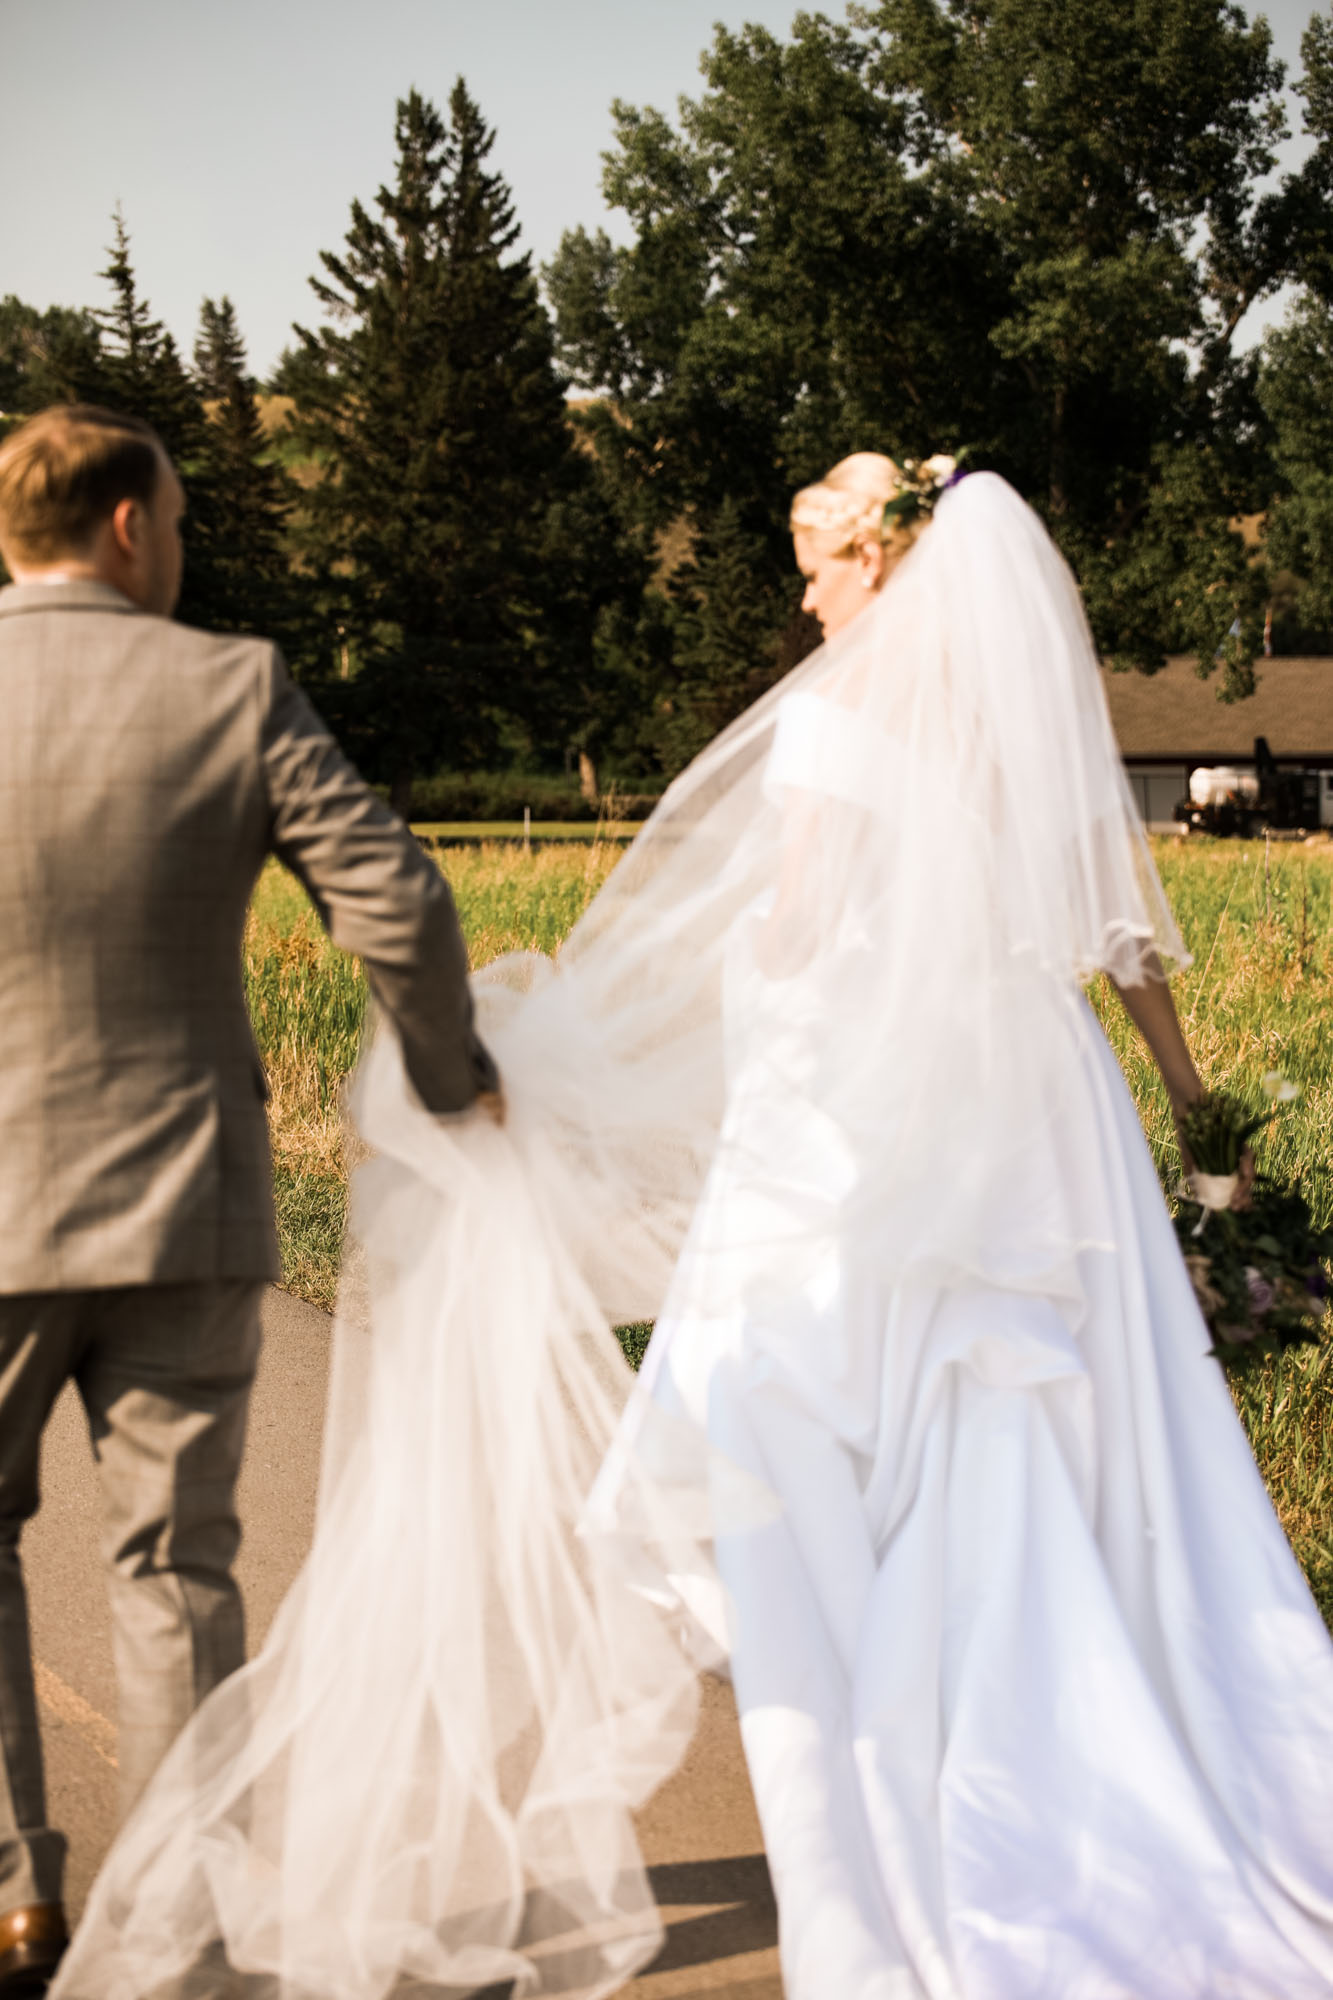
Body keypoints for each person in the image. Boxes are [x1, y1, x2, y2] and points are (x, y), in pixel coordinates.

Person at [52, 456, 1333, 2000]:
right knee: (1048, 1416)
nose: (802, 594)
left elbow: (795, 937)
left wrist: (631, 1046)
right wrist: (1192, 1113)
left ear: (878, 553)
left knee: (807, 1403)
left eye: (813, 561)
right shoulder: (1014, 726)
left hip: (870, 1105)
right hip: (1040, 1103)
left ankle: (909, 1719)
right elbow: (1112, 936)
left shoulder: (834, 721)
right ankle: (1082, 1696)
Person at [0, 404, 497, 1997]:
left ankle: (15, 1897)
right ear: (130, 528)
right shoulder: (229, 685)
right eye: (186, 523)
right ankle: (180, 1935)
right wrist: (443, 1077)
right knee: (173, 1568)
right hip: (184, 1203)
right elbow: (400, 901)